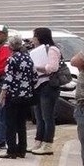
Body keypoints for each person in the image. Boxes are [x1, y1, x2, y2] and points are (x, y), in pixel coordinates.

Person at [0, 34, 37, 159]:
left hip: (13, 95)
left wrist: (1, 96)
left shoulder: (12, 59)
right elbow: (35, 77)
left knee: (10, 124)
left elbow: (8, 79)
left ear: (11, 46)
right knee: (21, 123)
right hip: (26, 95)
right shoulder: (28, 58)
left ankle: (12, 150)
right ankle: (22, 149)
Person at [28, 27, 62, 155]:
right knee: (39, 116)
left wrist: (37, 67)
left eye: (34, 36)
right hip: (38, 85)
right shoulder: (36, 51)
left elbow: (53, 67)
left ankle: (48, 145)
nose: (33, 39)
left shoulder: (52, 49)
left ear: (40, 37)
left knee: (47, 116)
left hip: (48, 85)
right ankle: (38, 142)